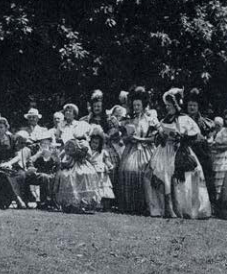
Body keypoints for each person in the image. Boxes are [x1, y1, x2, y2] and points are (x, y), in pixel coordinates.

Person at [148, 88, 211, 219]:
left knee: (179, 176)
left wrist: (182, 138)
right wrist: (160, 133)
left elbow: (197, 136)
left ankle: (184, 208)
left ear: (176, 105)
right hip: (165, 151)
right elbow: (159, 136)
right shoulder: (165, 119)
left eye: (170, 106)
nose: (167, 108)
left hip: (180, 152)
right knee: (161, 174)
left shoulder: (184, 119)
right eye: (166, 106)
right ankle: (166, 208)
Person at [117, 87, 158, 215]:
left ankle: (145, 205)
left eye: (138, 105)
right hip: (131, 149)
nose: (136, 107)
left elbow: (154, 138)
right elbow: (123, 138)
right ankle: (131, 204)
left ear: (143, 105)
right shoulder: (129, 120)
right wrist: (128, 138)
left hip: (146, 150)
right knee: (127, 170)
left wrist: (139, 139)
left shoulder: (150, 120)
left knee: (143, 172)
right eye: (134, 105)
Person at [0, 118, 27, 209]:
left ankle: (15, 198)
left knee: (22, 174)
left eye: (1, 127)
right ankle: (17, 199)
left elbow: (18, 156)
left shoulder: (12, 138)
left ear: (6, 128)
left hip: (11, 164)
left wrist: (9, 163)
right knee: (2, 175)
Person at [55, 130, 101, 214]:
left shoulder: (79, 143)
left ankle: (79, 204)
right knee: (74, 178)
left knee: (79, 177)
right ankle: (74, 204)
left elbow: (88, 155)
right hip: (73, 164)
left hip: (80, 164)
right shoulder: (71, 143)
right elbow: (64, 153)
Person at [185, 88, 216, 203]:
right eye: (190, 105)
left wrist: (206, 139)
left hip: (201, 152)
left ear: (198, 107)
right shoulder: (184, 120)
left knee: (205, 175)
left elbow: (210, 136)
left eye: (194, 105)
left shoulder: (203, 122)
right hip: (188, 151)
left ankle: (209, 203)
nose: (192, 108)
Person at [26, 130, 59, 210]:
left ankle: (54, 202)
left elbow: (57, 165)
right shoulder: (35, 150)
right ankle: (44, 202)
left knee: (56, 177)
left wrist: (53, 155)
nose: (45, 145)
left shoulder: (54, 152)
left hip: (51, 174)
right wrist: (38, 154)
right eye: (43, 143)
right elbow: (29, 163)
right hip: (37, 173)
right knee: (44, 177)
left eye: (47, 143)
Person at [89, 126, 115, 210]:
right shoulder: (88, 152)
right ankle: (94, 204)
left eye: (96, 143)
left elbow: (106, 161)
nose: (94, 145)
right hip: (92, 172)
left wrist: (109, 166)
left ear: (100, 144)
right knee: (93, 188)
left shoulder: (103, 152)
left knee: (102, 188)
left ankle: (103, 205)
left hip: (101, 173)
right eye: (93, 142)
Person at [210, 120, 227, 218]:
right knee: (219, 181)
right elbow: (215, 144)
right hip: (219, 157)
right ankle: (218, 207)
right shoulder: (222, 131)